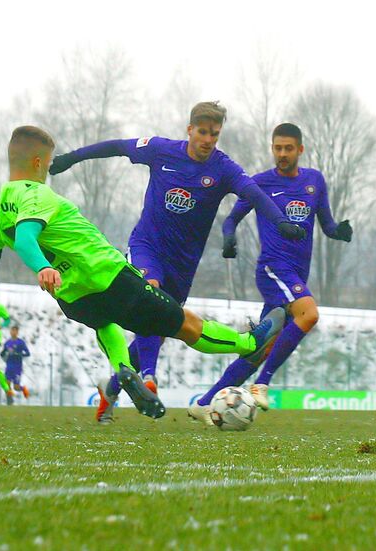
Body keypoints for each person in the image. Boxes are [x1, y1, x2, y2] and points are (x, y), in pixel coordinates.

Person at [0, 126, 286, 420]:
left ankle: (122, 369)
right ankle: (248, 343)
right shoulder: (37, 195)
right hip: (109, 276)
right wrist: (43, 267)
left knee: (104, 323)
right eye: (48, 161)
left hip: (71, 297)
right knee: (185, 324)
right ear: (39, 161)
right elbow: (26, 237)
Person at [48, 101, 305, 422]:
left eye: (214, 134)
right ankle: (149, 379)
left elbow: (253, 193)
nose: (208, 139)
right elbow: (117, 146)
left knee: (161, 320)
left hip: (183, 264)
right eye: (202, 132)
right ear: (190, 130)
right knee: (148, 293)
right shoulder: (160, 151)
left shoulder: (223, 168)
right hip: (147, 247)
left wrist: (280, 220)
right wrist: (73, 158)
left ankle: (112, 388)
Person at [187, 123, 353, 424]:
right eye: (277, 148)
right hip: (273, 269)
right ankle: (263, 382)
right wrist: (229, 239)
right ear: (272, 148)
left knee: (258, 349)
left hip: (297, 275)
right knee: (310, 314)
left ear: (300, 149)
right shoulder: (260, 183)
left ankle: (203, 402)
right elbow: (231, 220)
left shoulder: (315, 180)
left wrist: (338, 231)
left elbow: (326, 224)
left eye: (288, 148)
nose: (282, 154)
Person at [1, 326, 31, 399]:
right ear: (10, 332)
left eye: (15, 331)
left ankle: (23, 389)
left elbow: (28, 353)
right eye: (12, 330)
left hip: (17, 367)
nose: (13, 332)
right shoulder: (7, 343)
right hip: (9, 366)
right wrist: (4, 355)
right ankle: (9, 399)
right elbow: (2, 353)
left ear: (17, 332)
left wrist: (19, 354)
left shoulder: (21, 342)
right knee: (7, 384)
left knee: (16, 387)